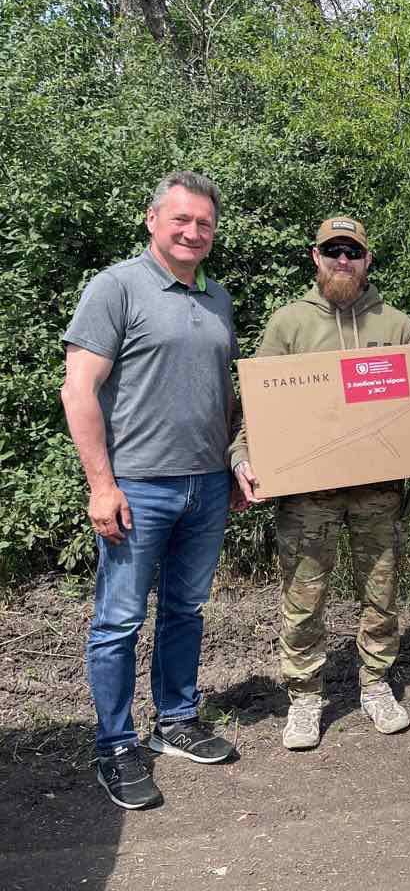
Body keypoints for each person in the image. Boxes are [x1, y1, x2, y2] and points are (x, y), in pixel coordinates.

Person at [61, 171, 238, 810]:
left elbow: (224, 398)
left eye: (204, 224)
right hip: (137, 486)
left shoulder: (218, 298)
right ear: (152, 219)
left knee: (186, 610)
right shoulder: (116, 287)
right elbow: (78, 390)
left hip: (207, 485)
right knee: (119, 621)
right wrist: (101, 485)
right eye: (181, 220)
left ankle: (175, 722)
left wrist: (231, 467)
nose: (193, 232)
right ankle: (115, 744)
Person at [229, 216, 410, 750]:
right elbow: (260, 408)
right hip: (307, 494)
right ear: (315, 257)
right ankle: (306, 696)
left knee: (382, 592)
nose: (342, 260)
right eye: (332, 250)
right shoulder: (288, 323)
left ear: (366, 261)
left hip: (378, 490)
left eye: (351, 252)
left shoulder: (395, 324)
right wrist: (243, 456)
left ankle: (376, 686)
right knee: (303, 596)